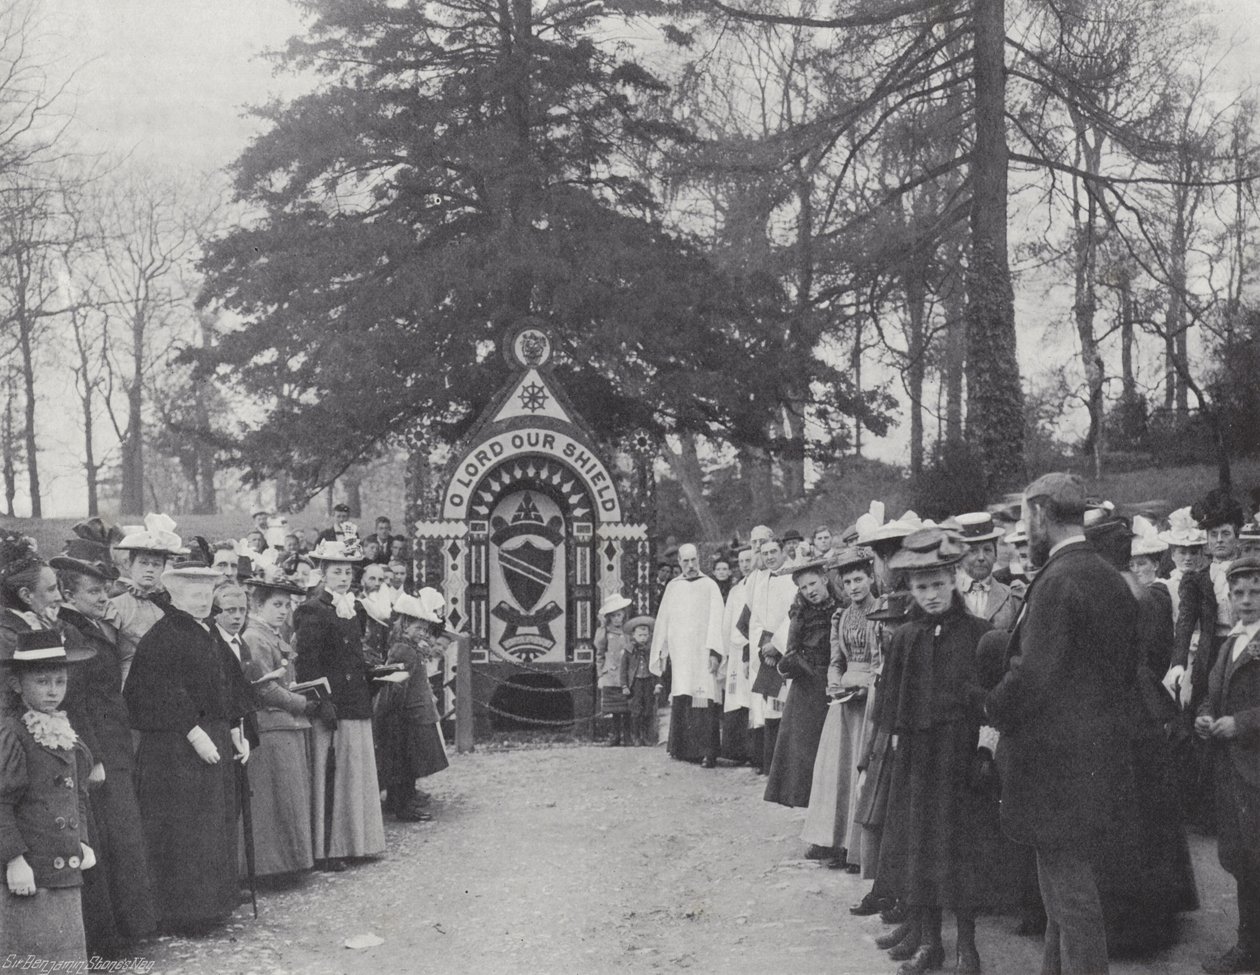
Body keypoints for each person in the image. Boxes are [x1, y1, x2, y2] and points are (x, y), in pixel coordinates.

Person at [987, 473, 1137, 975]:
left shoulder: (1057, 580)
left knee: (1072, 901)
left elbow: (1031, 677)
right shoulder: (1107, 575)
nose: (1024, 528)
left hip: (1055, 769)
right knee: (1061, 895)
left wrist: (989, 707)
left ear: (1042, 513)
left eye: (1026, 515)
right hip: (1096, 761)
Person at [869, 527, 995, 975]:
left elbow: (991, 702)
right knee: (918, 845)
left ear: (954, 580)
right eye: (921, 588)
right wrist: (896, 745)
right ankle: (928, 941)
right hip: (919, 758)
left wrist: (985, 750)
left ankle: (967, 946)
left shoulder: (980, 634)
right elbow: (893, 701)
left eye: (938, 585)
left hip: (960, 758)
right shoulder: (906, 637)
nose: (931, 595)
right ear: (911, 589)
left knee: (959, 849)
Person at [124, 556, 256, 934]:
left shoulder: (209, 632)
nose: (201, 600)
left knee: (213, 823)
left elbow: (227, 683)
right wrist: (191, 730)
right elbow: (151, 691)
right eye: (193, 593)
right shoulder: (164, 636)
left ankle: (214, 902)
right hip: (175, 753)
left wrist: (234, 727)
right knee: (184, 827)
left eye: (205, 593)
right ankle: (183, 911)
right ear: (176, 594)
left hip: (212, 740)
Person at [54, 542, 157, 948]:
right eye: (94, 592)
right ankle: (111, 935)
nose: (103, 598)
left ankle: (129, 928)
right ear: (69, 595)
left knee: (123, 837)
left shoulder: (91, 628)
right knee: (112, 839)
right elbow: (76, 701)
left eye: (104, 590)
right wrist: (92, 755)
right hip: (99, 752)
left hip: (113, 745)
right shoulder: (72, 633)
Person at [0, 630, 97, 966]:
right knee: (31, 956)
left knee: (65, 957)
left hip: (65, 868)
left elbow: (78, 795)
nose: (53, 691)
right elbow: (1, 803)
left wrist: (81, 840)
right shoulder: (13, 734)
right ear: (16, 685)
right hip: (30, 869)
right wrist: (13, 859)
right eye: (42, 682)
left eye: (60, 681)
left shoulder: (64, 731)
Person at [295, 538, 385, 871]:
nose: (344, 577)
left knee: (353, 773)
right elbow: (308, 663)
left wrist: (373, 674)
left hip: (355, 701)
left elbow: (352, 656)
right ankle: (328, 849)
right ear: (323, 573)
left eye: (348, 571)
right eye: (337, 571)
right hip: (332, 705)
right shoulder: (312, 608)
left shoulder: (353, 608)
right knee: (331, 775)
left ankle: (355, 842)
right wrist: (322, 701)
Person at [801, 547, 885, 870]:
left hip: (872, 697)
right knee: (839, 770)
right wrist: (834, 681)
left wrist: (868, 686)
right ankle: (838, 843)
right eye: (847, 582)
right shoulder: (840, 616)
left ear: (871, 577)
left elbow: (882, 661)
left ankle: (859, 849)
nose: (853, 587)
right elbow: (836, 661)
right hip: (845, 701)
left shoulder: (881, 611)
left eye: (859, 579)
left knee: (862, 771)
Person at [1196, 557, 1260, 975]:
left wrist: (1243, 723)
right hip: (1232, 770)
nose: (1247, 600)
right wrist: (1204, 715)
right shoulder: (1230, 642)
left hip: (1255, 767)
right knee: (1241, 859)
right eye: (1238, 593)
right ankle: (1248, 944)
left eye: (1255, 592)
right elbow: (1212, 693)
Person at [240, 572, 321, 878]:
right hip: (272, 724)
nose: (284, 610)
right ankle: (273, 867)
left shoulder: (272, 636)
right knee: (276, 797)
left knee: (288, 796)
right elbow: (264, 688)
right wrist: (304, 703)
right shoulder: (255, 637)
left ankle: (289, 863)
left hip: (286, 723)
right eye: (276, 604)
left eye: (287, 605)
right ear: (258, 606)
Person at [764, 558, 841, 810]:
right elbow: (791, 653)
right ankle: (815, 812)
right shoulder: (799, 614)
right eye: (804, 587)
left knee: (834, 752)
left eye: (813, 583)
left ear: (825, 579)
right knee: (808, 752)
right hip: (808, 689)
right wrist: (810, 670)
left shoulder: (842, 607)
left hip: (837, 684)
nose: (810, 591)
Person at [650, 544, 726, 768]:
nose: (691, 566)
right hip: (682, 655)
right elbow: (664, 620)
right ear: (679, 563)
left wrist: (715, 652)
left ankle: (707, 751)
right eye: (686, 561)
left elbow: (717, 620)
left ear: (699, 560)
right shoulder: (673, 587)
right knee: (683, 694)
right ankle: (682, 748)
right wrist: (662, 652)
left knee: (702, 698)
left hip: (703, 655)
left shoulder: (709, 586)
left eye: (694, 560)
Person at [378, 589, 450, 821]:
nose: (422, 633)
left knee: (408, 760)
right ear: (405, 625)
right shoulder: (404, 650)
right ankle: (402, 805)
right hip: (408, 713)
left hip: (411, 710)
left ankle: (402, 800)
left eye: (425, 629)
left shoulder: (407, 647)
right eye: (418, 628)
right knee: (405, 763)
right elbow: (397, 685)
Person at [112, 514, 185, 686]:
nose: (150, 570)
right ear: (130, 565)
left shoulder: (172, 604)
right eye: (144, 563)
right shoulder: (116, 606)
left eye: (156, 564)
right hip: (130, 683)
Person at [744, 536, 797, 774]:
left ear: (783, 551)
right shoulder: (761, 580)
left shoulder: (792, 578)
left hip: (786, 646)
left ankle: (787, 768)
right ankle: (771, 767)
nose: (770, 557)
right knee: (770, 708)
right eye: (765, 554)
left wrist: (777, 644)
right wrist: (762, 646)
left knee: (787, 704)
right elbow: (755, 618)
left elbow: (794, 614)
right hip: (765, 649)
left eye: (773, 551)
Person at [952, 512, 1021, 631]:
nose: (981, 557)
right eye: (973, 551)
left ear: (995, 555)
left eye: (987, 550)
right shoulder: (949, 597)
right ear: (959, 557)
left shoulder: (1012, 598)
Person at [721, 545, 756, 763]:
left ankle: (752, 752)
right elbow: (728, 622)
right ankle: (735, 751)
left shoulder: (758, 585)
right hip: (736, 650)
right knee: (736, 698)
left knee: (752, 698)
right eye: (741, 561)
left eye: (748, 560)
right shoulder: (736, 590)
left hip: (752, 648)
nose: (744, 565)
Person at [594, 593, 633, 747]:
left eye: (619, 615)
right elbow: (600, 654)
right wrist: (601, 674)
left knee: (627, 707)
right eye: (614, 616)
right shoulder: (605, 632)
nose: (617, 619)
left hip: (626, 675)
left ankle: (628, 736)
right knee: (614, 708)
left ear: (624, 614)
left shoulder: (628, 631)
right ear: (609, 617)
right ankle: (615, 735)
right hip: (611, 674)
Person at [620, 616, 655, 746]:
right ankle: (636, 737)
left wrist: (657, 683)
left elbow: (655, 667)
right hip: (635, 683)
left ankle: (646, 736)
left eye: (645, 635)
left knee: (647, 709)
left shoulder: (651, 651)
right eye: (640, 635)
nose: (643, 638)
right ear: (633, 635)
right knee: (636, 710)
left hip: (648, 682)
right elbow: (623, 669)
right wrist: (624, 685)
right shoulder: (629, 651)